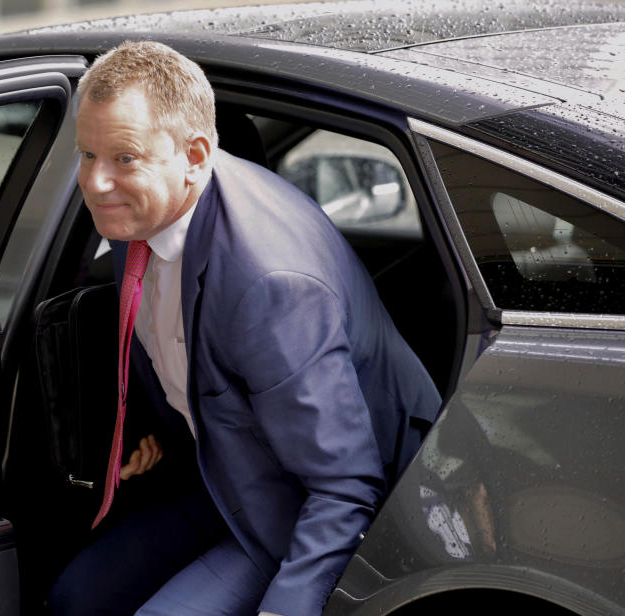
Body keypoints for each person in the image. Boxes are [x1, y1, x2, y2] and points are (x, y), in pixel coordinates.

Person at [48, 40, 442, 616]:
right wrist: (155, 429)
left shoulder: (270, 283)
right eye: (87, 155)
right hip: (223, 464)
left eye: (123, 158)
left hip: (304, 501)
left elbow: (344, 490)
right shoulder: (146, 205)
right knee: (74, 600)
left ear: (195, 154)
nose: (96, 182)